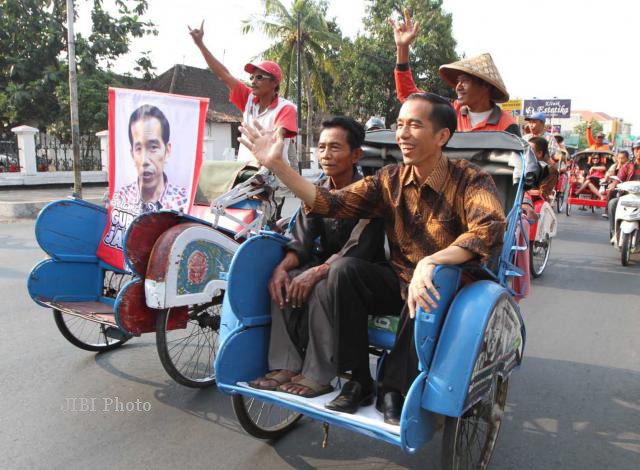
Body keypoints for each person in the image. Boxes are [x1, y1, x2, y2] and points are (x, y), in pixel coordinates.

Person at [239, 92, 506, 425]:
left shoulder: (470, 179)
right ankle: (358, 379)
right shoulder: (389, 180)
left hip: (447, 285)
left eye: (415, 126)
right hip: (398, 281)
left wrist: (434, 261)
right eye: (400, 125)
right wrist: (278, 165)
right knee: (344, 270)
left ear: (441, 136)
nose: (403, 134)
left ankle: (393, 386)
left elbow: (490, 227)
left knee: (427, 286)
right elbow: (329, 203)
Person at [247, 117, 390, 413]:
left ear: (356, 155)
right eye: (321, 147)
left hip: (362, 275)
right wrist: (283, 268)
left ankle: (318, 374)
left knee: (327, 282)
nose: (325, 154)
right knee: (284, 281)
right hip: (327, 266)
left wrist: (316, 273)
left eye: (335, 147)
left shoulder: (371, 192)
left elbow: (358, 248)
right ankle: (286, 363)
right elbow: (300, 239)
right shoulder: (316, 189)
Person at [388, 9, 519, 136]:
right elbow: (409, 95)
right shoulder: (449, 111)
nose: (458, 87)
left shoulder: (507, 126)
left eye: (465, 81)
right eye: (458, 81)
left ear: (486, 86)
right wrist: (402, 47)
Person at [188, 20, 297, 166]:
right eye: (252, 77)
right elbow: (223, 74)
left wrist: (274, 139)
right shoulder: (249, 99)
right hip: (245, 176)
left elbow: (279, 135)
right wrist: (200, 44)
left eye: (259, 77)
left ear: (274, 83)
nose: (253, 81)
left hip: (274, 180)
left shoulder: (285, 108)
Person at [112, 104, 188, 214]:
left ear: (167, 150)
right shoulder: (120, 199)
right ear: (132, 154)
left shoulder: (184, 201)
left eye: (153, 147)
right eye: (138, 148)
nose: (145, 160)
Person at [607, 142, 640, 237]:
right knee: (612, 203)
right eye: (636, 149)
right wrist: (614, 184)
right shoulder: (627, 165)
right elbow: (619, 178)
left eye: (639, 149)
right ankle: (614, 232)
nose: (638, 151)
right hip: (628, 196)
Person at [528, 136, 558, 201]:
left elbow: (542, 193)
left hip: (536, 202)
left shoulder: (551, 170)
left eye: (529, 151)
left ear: (539, 153)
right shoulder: (527, 165)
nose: (526, 154)